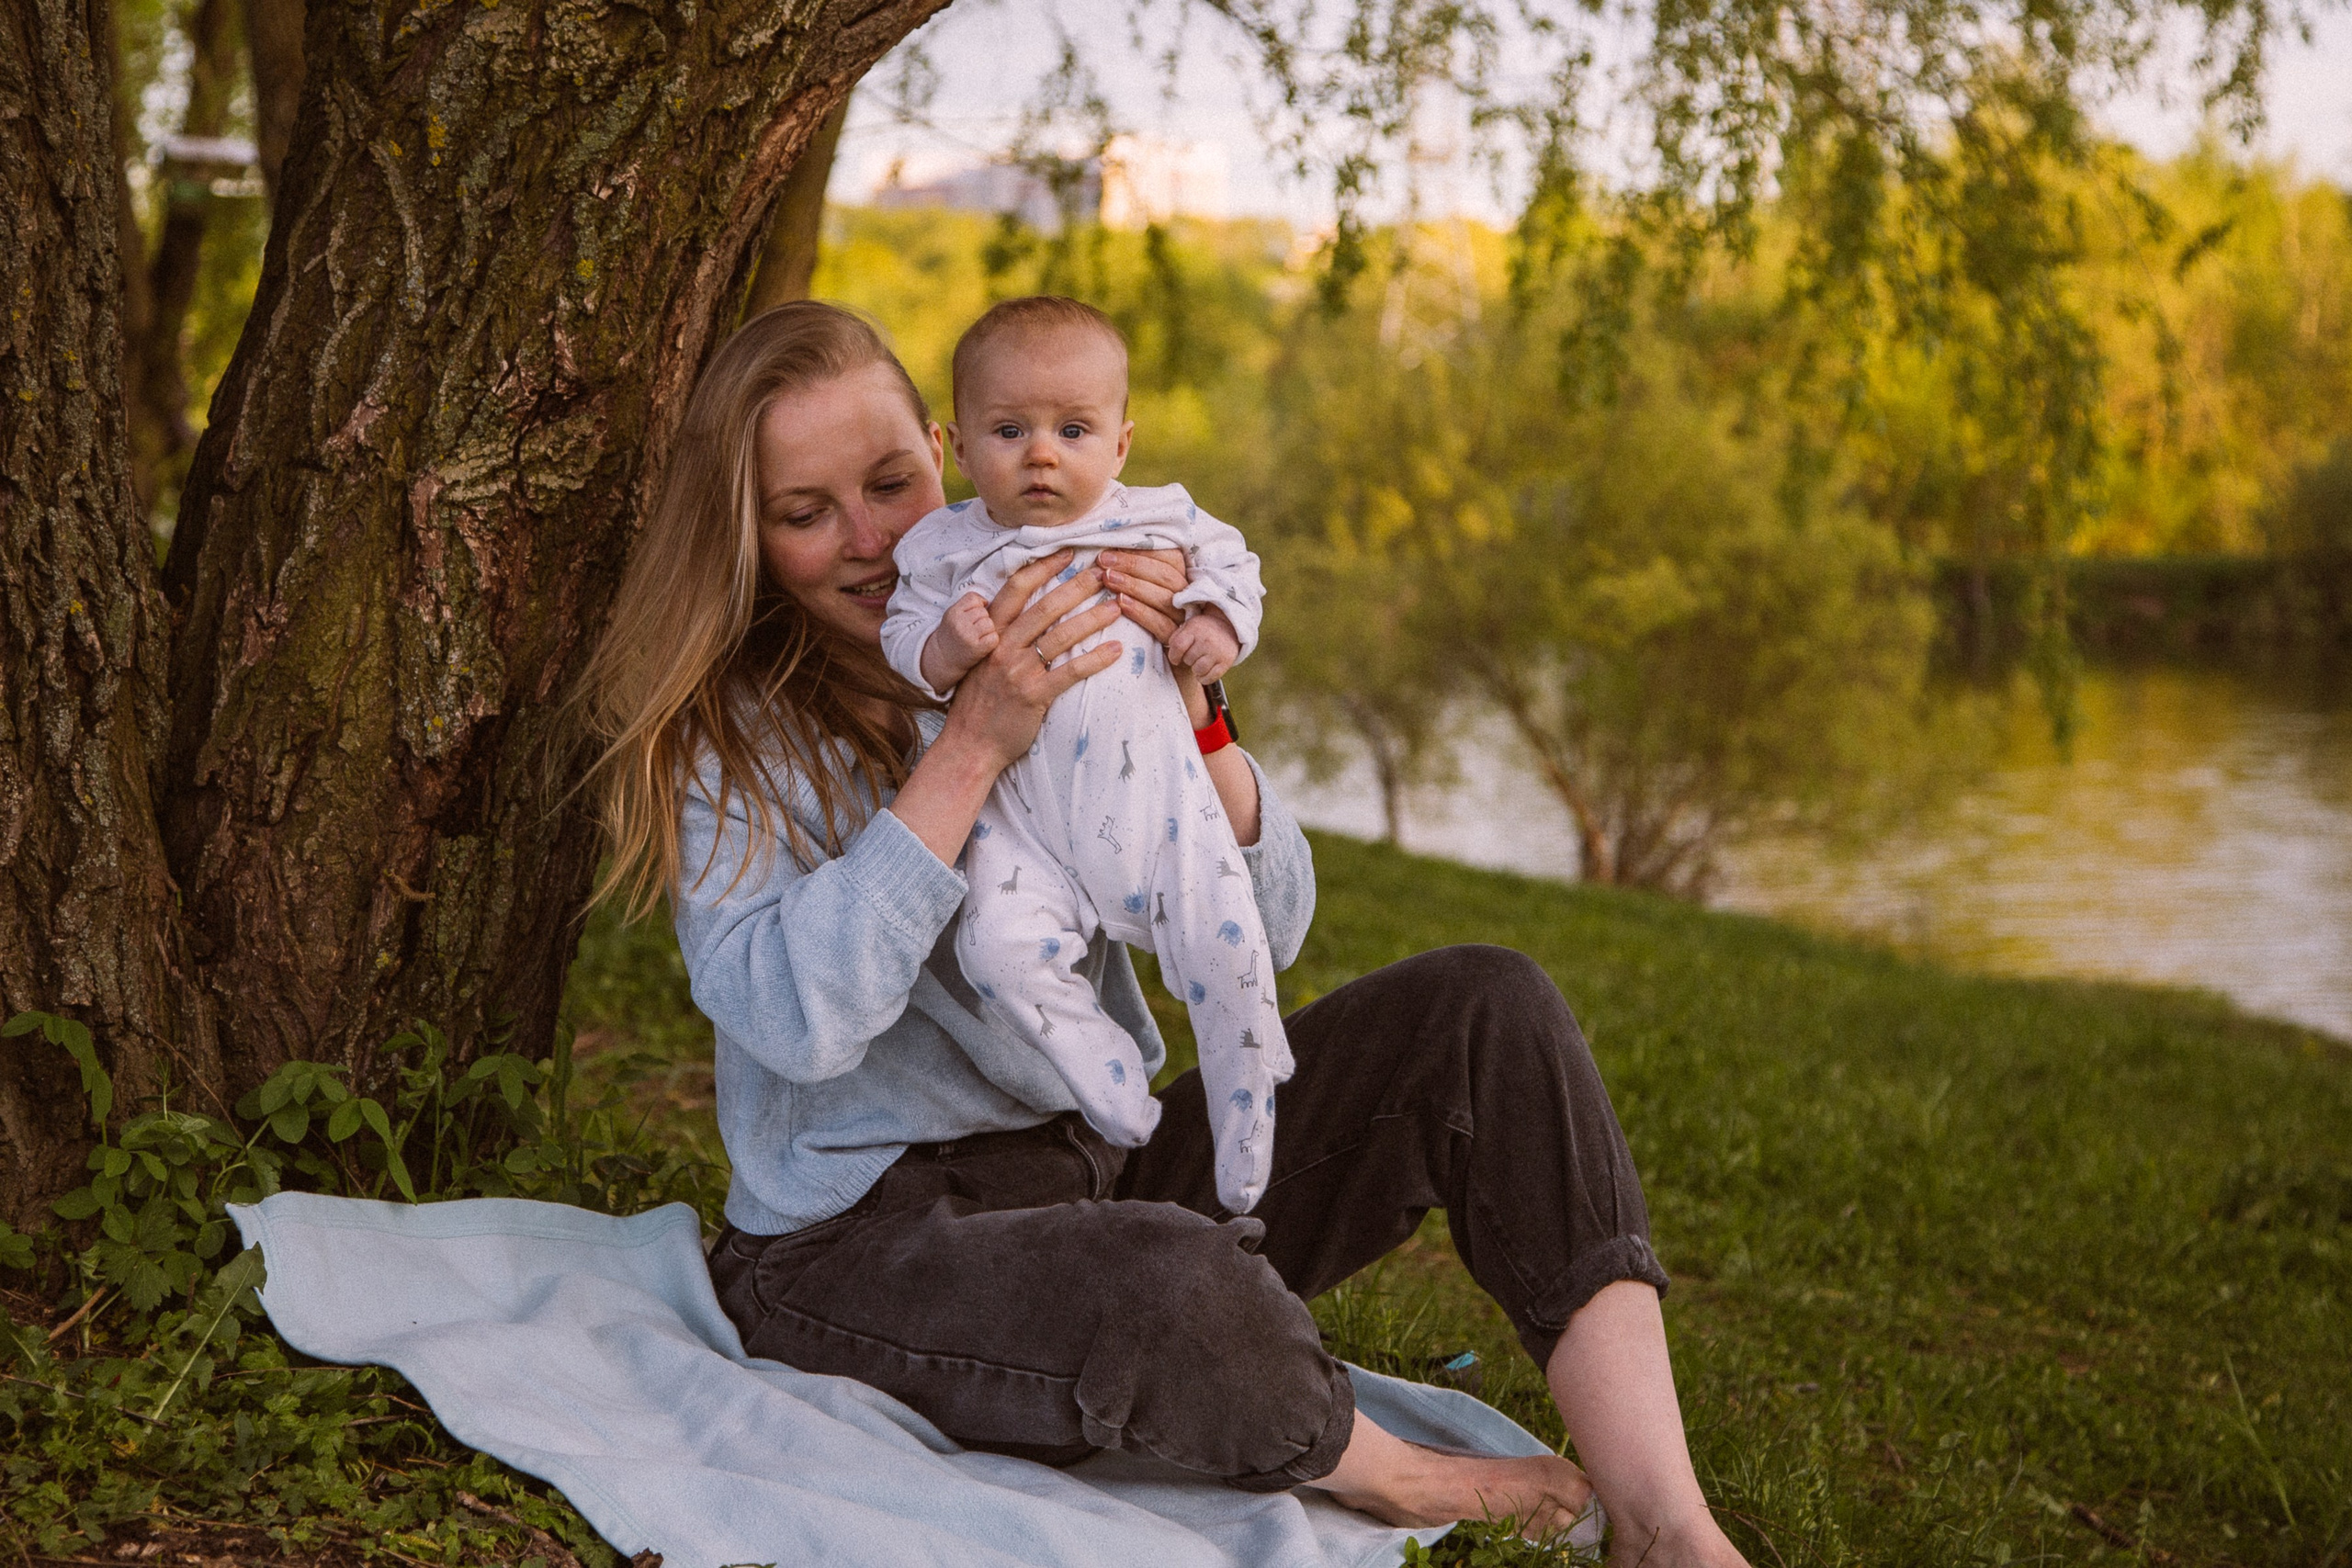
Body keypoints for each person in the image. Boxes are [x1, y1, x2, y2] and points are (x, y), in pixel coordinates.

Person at [581, 299, 1753, 1566]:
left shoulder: (1067, 606)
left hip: (1098, 1160)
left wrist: (1197, 712)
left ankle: (1664, 1519)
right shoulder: (733, 740)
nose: (868, 541)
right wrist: (971, 746)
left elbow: (1275, 925)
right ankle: (1403, 1473)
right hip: (860, 1248)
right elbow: (792, 1023)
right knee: (1170, 1274)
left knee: (1487, 1005)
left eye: (889, 481)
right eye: (806, 513)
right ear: (749, 533)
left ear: (950, 449)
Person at [880, 295, 1288, 1215]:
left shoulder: (1160, 523)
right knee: (996, 945)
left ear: (1122, 443)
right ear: (956, 443)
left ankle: (1247, 1090)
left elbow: (1237, 572)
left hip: (1161, 810)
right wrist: (944, 649)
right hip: (1022, 828)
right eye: (1009, 429)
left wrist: (1216, 625)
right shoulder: (943, 548)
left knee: (1230, 953)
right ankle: (1102, 1072)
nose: (1041, 454)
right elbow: (902, 635)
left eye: (1072, 429)